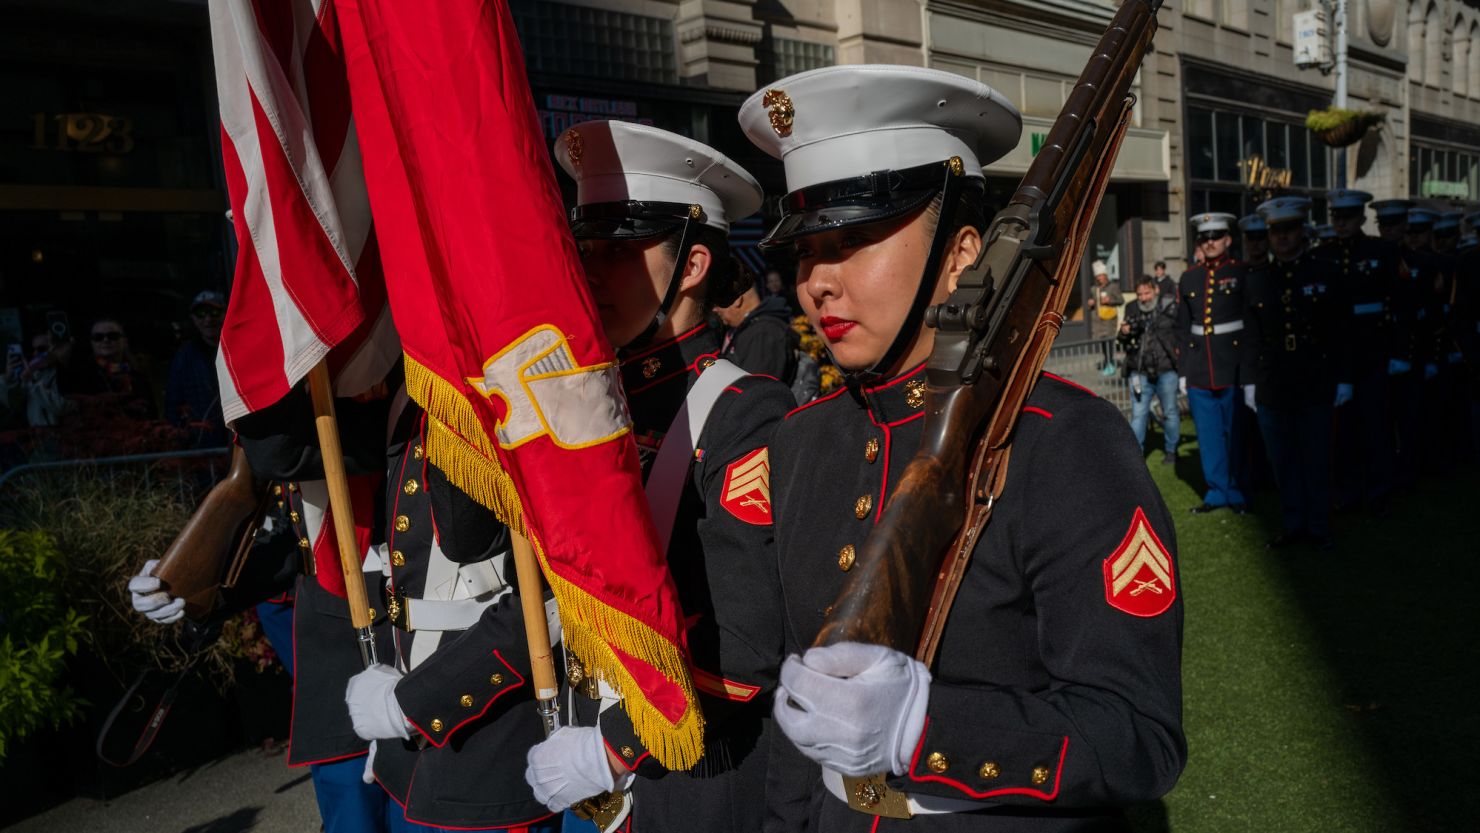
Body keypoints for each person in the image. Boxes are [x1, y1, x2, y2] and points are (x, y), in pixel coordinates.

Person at [740, 64, 1185, 832]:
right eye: (808, 249)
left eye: (854, 240)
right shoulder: (802, 440)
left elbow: (1138, 734)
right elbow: (799, 708)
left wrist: (925, 725)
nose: (817, 281)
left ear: (961, 253)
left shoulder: (1063, 441)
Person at [523, 120, 795, 832]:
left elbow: (745, 644)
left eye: (617, 251)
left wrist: (617, 746)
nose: (589, 271)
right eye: (584, 250)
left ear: (694, 266)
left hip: (694, 781)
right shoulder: (596, 406)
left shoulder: (740, 411)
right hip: (593, 764)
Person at [1243, 196, 1353, 551]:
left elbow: (1341, 330)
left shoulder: (1326, 271)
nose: (1283, 238)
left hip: (1315, 382)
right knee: (1284, 464)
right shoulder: (1258, 279)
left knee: (1316, 460)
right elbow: (1251, 335)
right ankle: (1293, 527)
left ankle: (1320, 529)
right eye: (1276, 231)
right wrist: (1248, 381)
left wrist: (1345, 377)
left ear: (1302, 231)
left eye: (1289, 230)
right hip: (1273, 387)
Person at [1313, 190, 1403, 514]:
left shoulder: (1383, 250)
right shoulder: (1321, 254)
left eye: (1347, 217)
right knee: (1344, 431)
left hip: (1373, 353)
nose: (1341, 223)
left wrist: (1398, 352)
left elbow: (1400, 304)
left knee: (1376, 427)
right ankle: (1347, 492)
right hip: (1336, 357)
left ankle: (1379, 492)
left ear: (1362, 219)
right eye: (1336, 217)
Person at [1175, 212, 1251, 514]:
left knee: (1236, 434)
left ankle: (1239, 491)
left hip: (1232, 365)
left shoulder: (1242, 272)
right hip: (1198, 368)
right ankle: (1217, 492)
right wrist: (1183, 371)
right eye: (1204, 238)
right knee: (1207, 436)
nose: (1210, 242)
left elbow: (1250, 325)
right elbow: (1183, 329)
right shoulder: (1189, 277)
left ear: (1228, 240)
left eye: (1216, 237)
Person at [1119, 275, 1180, 463]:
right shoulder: (1131, 308)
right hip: (1139, 370)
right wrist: (1124, 332)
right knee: (1138, 414)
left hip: (1166, 368)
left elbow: (1179, 332)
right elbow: (1121, 339)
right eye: (1139, 294)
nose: (1144, 298)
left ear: (1156, 290)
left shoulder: (1169, 308)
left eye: (1147, 293)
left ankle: (1171, 450)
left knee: (1169, 411)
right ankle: (1137, 456)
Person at [165, 290, 229, 447]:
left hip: (238, 436)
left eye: (215, 312)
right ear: (193, 318)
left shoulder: (238, 348)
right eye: (201, 313)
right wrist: (184, 436)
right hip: (201, 441)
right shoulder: (185, 357)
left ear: (226, 313)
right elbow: (174, 401)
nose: (208, 319)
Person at [714, 280, 802, 385]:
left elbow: (756, 390)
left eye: (719, 301)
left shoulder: (764, 334)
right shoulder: (751, 329)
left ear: (736, 299)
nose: (715, 309)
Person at [70, 317, 156, 420]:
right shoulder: (82, 375)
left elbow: (151, 411)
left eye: (113, 336)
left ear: (124, 341)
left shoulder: (137, 374)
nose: (106, 340)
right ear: (91, 343)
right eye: (98, 337)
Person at [5, 331, 70, 427]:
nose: (35, 353)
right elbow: (15, 406)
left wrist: (34, 382)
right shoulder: (30, 373)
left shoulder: (62, 372)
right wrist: (9, 379)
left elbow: (61, 407)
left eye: (41, 349)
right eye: (32, 349)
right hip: (37, 434)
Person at [1086, 259, 1122, 375]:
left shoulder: (1113, 287)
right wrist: (1090, 303)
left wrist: (1110, 300)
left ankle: (1110, 363)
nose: (1099, 278)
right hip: (1098, 321)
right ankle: (1107, 362)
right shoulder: (1094, 289)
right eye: (1097, 276)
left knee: (1109, 342)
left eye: (1101, 275)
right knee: (1102, 343)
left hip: (1109, 320)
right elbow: (1094, 304)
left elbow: (1121, 300)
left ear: (1105, 275)